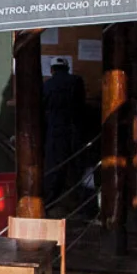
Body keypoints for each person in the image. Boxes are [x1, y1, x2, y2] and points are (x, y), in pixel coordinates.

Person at [42, 58, 86, 200]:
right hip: (75, 129)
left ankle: (50, 201)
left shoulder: (48, 85)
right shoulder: (77, 81)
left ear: (52, 70)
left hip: (55, 131)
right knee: (78, 168)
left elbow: (42, 107)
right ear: (67, 69)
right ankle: (83, 205)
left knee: (54, 169)